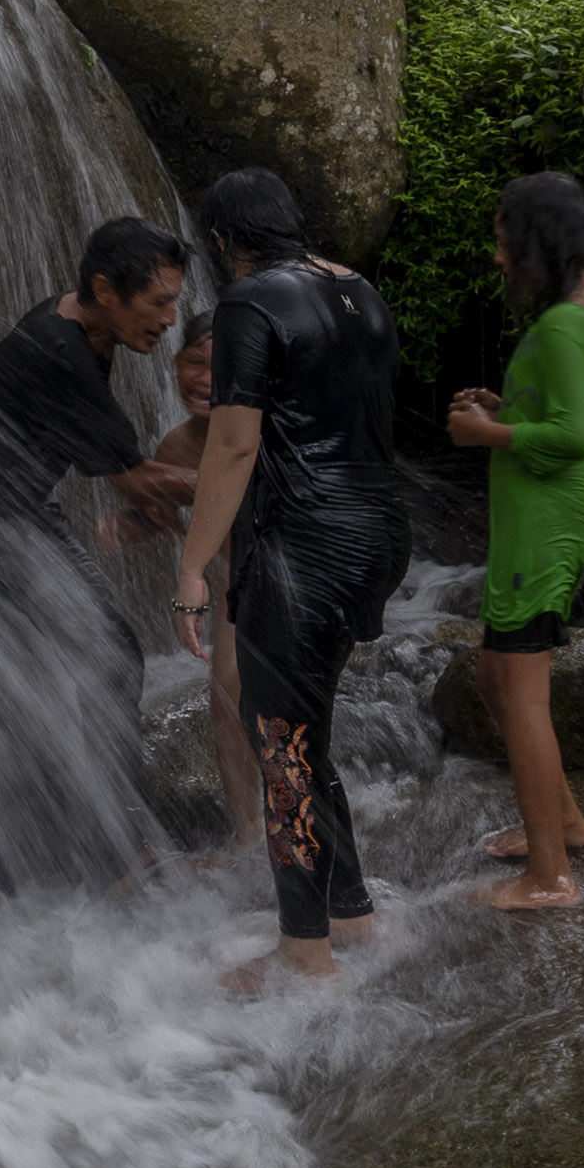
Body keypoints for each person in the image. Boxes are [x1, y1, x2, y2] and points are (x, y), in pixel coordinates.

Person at [168, 169, 412, 989]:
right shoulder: (360, 290)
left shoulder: (250, 302)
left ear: (222, 240)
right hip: (377, 533)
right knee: (304, 731)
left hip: (299, 548)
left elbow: (234, 446)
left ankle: (304, 951)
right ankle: (353, 914)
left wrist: (193, 567)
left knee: (280, 743)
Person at [0, 217, 202, 796]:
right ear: (104, 290)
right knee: (106, 659)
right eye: (159, 302)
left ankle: (76, 826)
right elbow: (137, 483)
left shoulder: (78, 320)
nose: (170, 321)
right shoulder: (60, 351)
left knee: (65, 668)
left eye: (176, 303)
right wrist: (245, 477)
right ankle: (112, 844)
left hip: (5, 508)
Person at [445, 171, 584, 913]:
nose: (498, 258)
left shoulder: (561, 328)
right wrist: (508, 405)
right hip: (545, 521)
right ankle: (567, 823)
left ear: (535, 242)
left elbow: (583, 437)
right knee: (494, 676)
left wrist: (491, 432)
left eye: (503, 242)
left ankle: (550, 877)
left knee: (520, 691)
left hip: (545, 528)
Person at [146, 320, 265, 860]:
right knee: (225, 703)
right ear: (173, 365)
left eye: (220, 369)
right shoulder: (178, 442)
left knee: (258, 696)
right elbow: (163, 506)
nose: (203, 379)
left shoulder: (259, 431)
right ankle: (250, 831)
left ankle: (296, 816)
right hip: (228, 590)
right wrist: (129, 524)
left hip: (276, 581)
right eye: (193, 362)